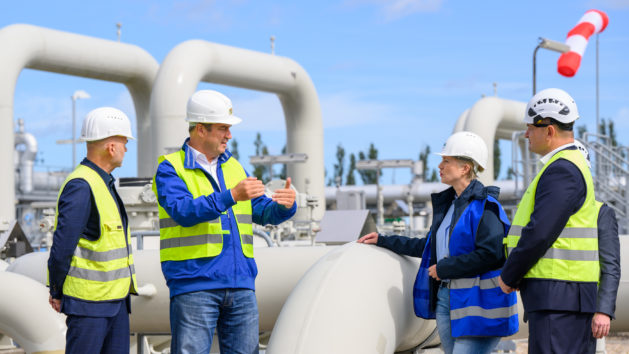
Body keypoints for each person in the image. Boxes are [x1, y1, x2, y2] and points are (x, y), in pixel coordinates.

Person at [153, 89, 297, 354]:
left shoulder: (235, 167)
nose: (229, 135)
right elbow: (183, 210)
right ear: (200, 129)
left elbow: (261, 211)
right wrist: (231, 195)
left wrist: (285, 206)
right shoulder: (170, 168)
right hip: (194, 284)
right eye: (222, 128)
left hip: (241, 284)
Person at [358, 131, 518, 354]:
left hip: (480, 305)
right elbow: (429, 247)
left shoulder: (486, 207)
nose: (440, 165)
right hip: (448, 300)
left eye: (447, 160)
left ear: (465, 168)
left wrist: (444, 268)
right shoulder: (451, 206)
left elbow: (491, 254)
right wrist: (383, 240)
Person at [499, 88, 600, 353]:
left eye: (531, 128)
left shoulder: (562, 170)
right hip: (564, 297)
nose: (525, 134)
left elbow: (540, 232)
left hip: (559, 299)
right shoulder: (569, 166)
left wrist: (510, 274)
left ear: (549, 130)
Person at [47, 107, 137, 354]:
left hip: (115, 303)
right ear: (111, 147)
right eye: (124, 142)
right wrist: (56, 289)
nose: (126, 148)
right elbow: (62, 245)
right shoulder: (82, 185)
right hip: (89, 306)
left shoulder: (103, 183)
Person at [573, 140, 621, 353]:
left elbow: (611, 267)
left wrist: (603, 311)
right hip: (553, 307)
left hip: (588, 310)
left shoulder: (601, 213)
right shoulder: (547, 210)